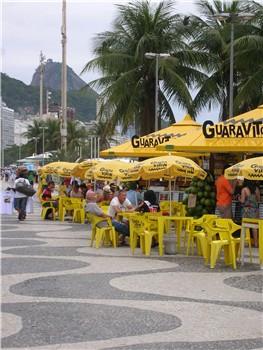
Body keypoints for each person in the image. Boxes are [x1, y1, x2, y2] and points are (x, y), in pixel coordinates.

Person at [239, 179, 260, 247]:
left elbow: (242, 201)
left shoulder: (244, 189)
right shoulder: (256, 189)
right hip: (254, 210)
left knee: (244, 226)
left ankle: (244, 243)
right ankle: (256, 243)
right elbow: (258, 200)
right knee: (254, 228)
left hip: (246, 210)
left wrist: (239, 198)